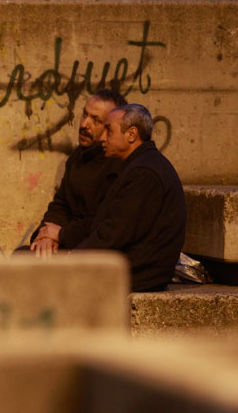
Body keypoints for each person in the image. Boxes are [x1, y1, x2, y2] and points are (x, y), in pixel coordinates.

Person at [77, 104, 186, 292]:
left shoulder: (144, 173)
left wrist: (72, 258)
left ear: (131, 134)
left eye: (109, 130)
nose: (102, 137)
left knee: (45, 277)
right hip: (128, 267)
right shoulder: (139, 166)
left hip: (137, 274)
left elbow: (115, 234)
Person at [30, 89, 127, 257]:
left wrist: (59, 234)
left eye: (95, 120)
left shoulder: (118, 164)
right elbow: (61, 204)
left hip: (93, 250)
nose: (84, 124)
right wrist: (45, 236)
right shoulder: (77, 157)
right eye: (84, 114)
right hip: (68, 240)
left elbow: (103, 223)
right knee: (25, 257)